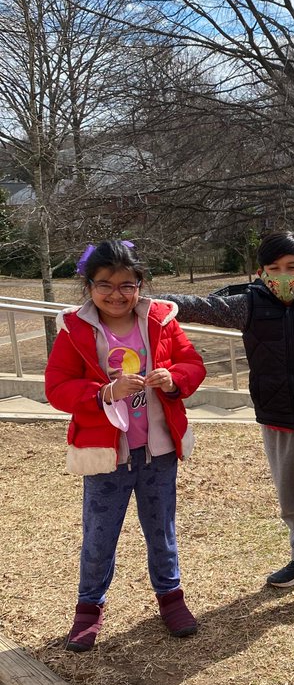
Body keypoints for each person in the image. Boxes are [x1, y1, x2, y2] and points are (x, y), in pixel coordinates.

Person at [158, 231, 294, 615]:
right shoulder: (248, 306)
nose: (283, 276)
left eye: (292, 268)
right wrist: (145, 300)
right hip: (274, 420)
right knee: (290, 503)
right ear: (260, 272)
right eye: (273, 268)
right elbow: (198, 306)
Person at [45, 240, 207, 652]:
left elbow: (192, 363)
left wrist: (173, 378)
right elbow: (58, 387)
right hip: (106, 454)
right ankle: (88, 610)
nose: (116, 294)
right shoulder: (75, 329)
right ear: (89, 285)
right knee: (99, 535)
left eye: (127, 284)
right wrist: (103, 391)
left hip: (158, 452)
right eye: (105, 284)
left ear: (140, 284)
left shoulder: (159, 320)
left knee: (162, 531)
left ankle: (171, 600)